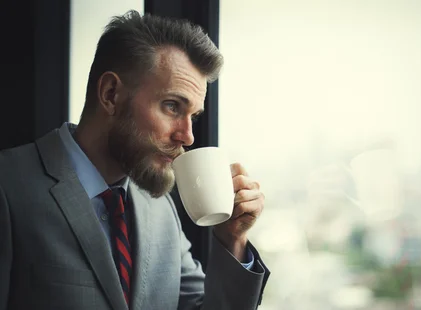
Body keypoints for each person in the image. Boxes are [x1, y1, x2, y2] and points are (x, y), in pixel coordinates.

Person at [0, 10, 269, 310]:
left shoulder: (160, 210)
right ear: (111, 94)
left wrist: (233, 239)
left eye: (193, 116)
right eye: (172, 106)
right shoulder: (9, 188)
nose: (188, 136)